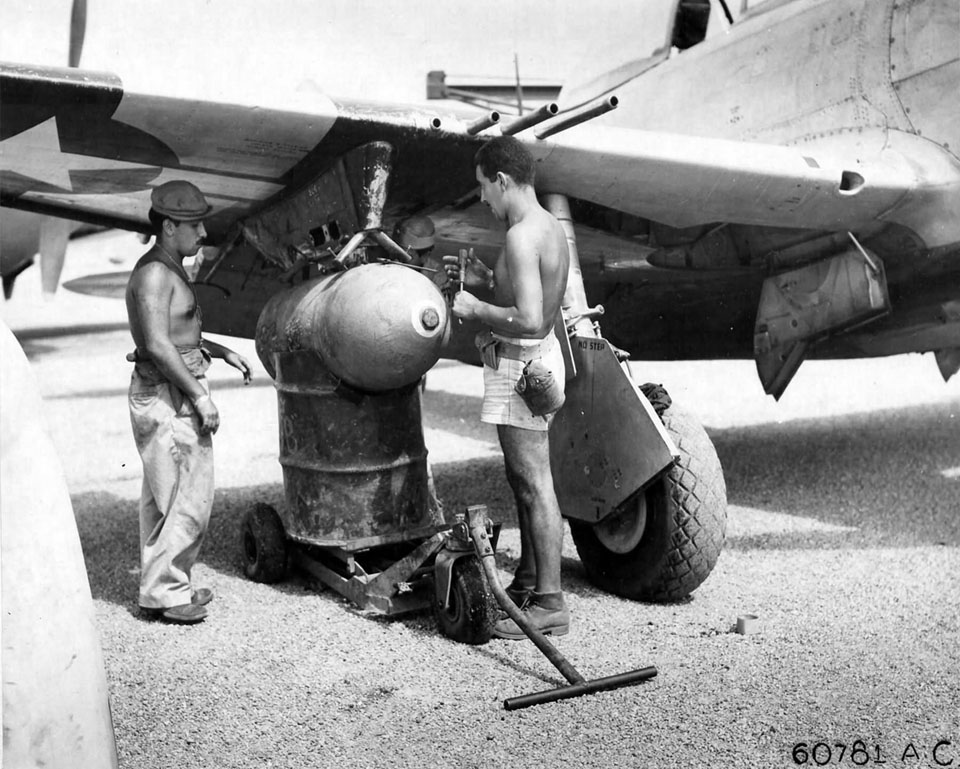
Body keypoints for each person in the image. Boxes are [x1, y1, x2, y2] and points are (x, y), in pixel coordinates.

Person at [444, 136, 571, 639]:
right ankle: (531, 580)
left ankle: (551, 604)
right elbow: (531, 292)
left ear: (502, 180)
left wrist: (476, 309)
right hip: (533, 364)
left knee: (534, 481)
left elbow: (532, 318)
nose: (481, 199)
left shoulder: (520, 236)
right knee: (525, 478)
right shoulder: (546, 228)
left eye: (483, 187)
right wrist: (487, 279)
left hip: (521, 364)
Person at [125, 180, 252, 625]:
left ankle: (169, 584)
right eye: (195, 225)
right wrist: (200, 396)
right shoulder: (155, 275)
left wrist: (220, 350)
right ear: (169, 226)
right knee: (184, 499)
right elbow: (158, 345)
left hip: (172, 389)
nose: (202, 234)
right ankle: (165, 594)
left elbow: (179, 336)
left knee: (171, 495)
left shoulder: (168, 268)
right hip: (169, 395)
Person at [394, 215, 445, 519]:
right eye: (420, 252)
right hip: (391, 371)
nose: (426, 257)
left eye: (429, 251)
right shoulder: (391, 274)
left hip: (413, 373)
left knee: (414, 441)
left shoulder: (430, 273)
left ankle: (424, 509)